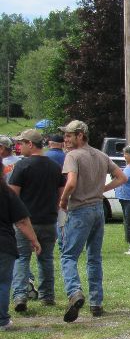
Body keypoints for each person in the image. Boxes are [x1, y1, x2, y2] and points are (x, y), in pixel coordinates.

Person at [58, 120, 127, 322]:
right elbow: (122, 177)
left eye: (70, 135)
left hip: (79, 210)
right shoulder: (101, 155)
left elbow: (70, 183)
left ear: (81, 136)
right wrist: (100, 190)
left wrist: (63, 201)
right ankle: (96, 303)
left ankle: (74, 292)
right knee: (94, 257)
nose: (66, 139)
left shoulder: (72, 156)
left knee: (68, 255)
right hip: (98, 210)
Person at [7, 129, 65, 311]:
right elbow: (61, 195)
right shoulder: (55, 167)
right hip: (48, 221)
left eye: (21, 143)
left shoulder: (22, 167)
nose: (19, 146)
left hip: (26, 222)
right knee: (46, 258)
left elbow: (12, 196)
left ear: (30, 144)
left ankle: (20, 296)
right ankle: (47, 296)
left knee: (22, 258)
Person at [0, 166, 41, 330]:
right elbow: (22, 220)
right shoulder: (6, 192)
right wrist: (34, 239)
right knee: (2, 283)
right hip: (3, 243)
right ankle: (2, 321)